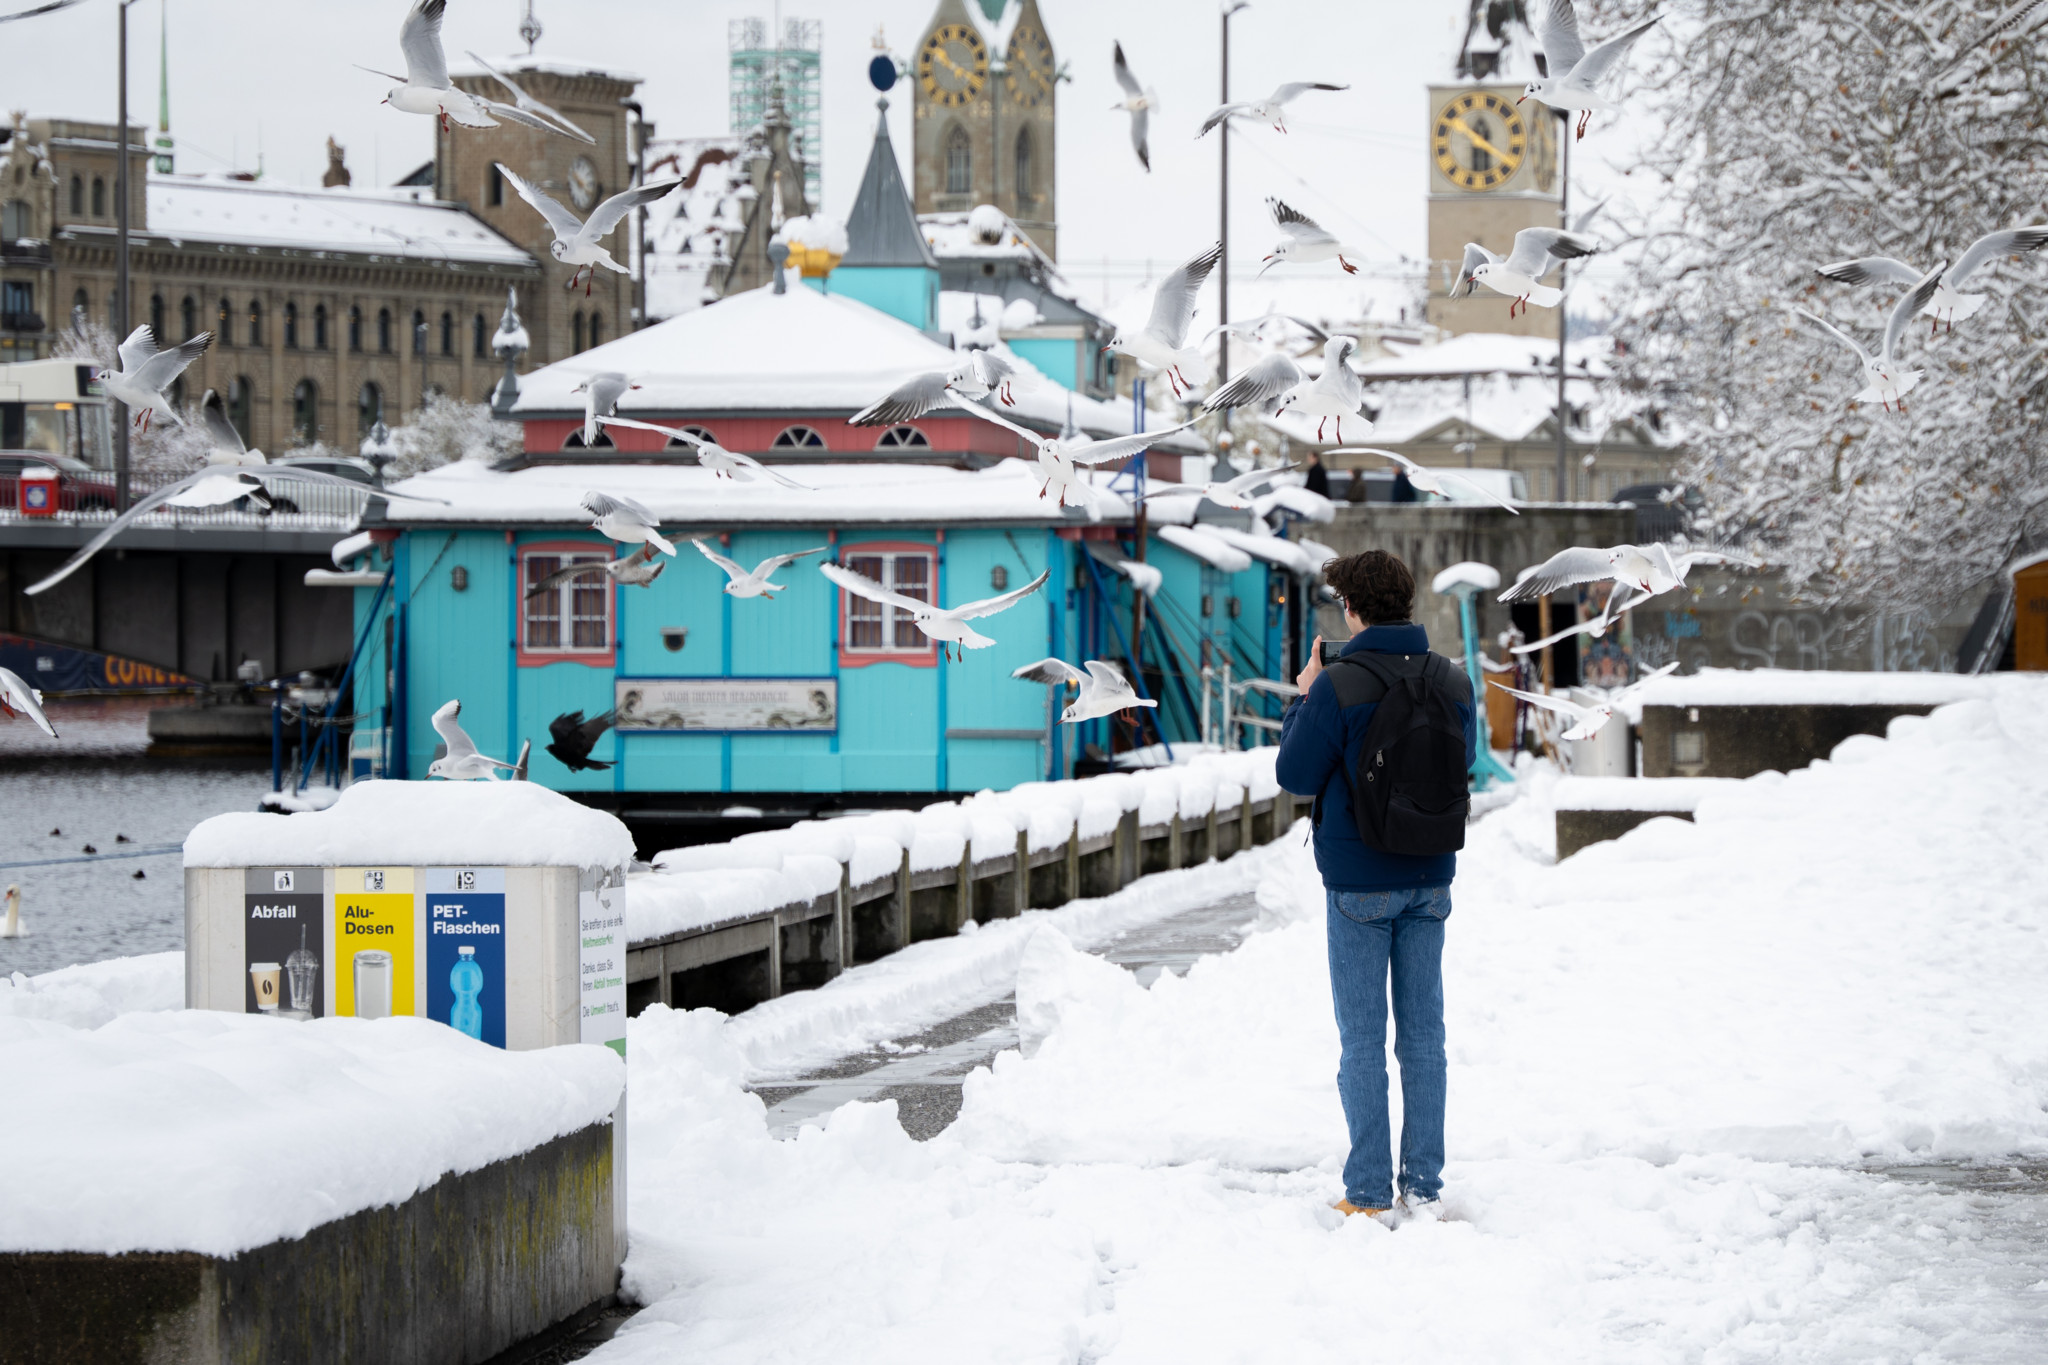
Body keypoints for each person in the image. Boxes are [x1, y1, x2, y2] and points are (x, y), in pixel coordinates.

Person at [1275, 549, 1477, 1221]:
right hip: (1430, 876)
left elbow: (1297, 774)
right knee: (1424, 1036)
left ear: (1352, 610)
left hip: (1359, 882)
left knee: (1362, 1041)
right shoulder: (1451, 678)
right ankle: (1422, 1183)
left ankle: (1367, 1192)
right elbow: (1460, 760)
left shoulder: (1338, 683)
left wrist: (1307, 693)